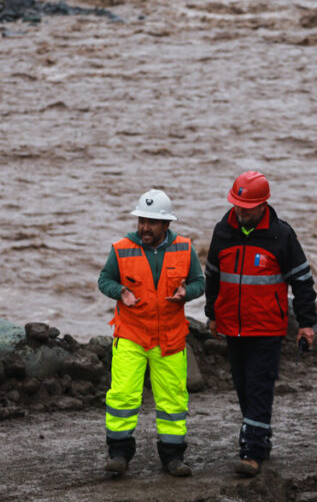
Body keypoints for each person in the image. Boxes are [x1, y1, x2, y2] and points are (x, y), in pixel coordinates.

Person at [204, 171, 317, 477]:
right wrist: (211, 313)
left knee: (258, 386)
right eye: (237, 205)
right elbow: (212, 275)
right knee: (243, 386)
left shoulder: (281, 235)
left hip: (267, 328)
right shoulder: (222, 231)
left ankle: (251, 452)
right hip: (231, 326)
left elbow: (303, 280)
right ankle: (260, 439)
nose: (240, 211)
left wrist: (306, 323)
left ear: (263, 204)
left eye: (247, 207)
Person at [98, 189, 205, 477]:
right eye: (141, 221)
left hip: (170, 338)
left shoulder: (184, 249)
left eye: (152, 222)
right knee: (122, 396)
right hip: (131, 335)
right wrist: (119, 291)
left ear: (166, 225)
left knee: (173, 398)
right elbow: (104, 280)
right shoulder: (121, 248)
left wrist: (187, 293)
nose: (145, 227)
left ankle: (172, 456)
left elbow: (199, 282)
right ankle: (119, 454)